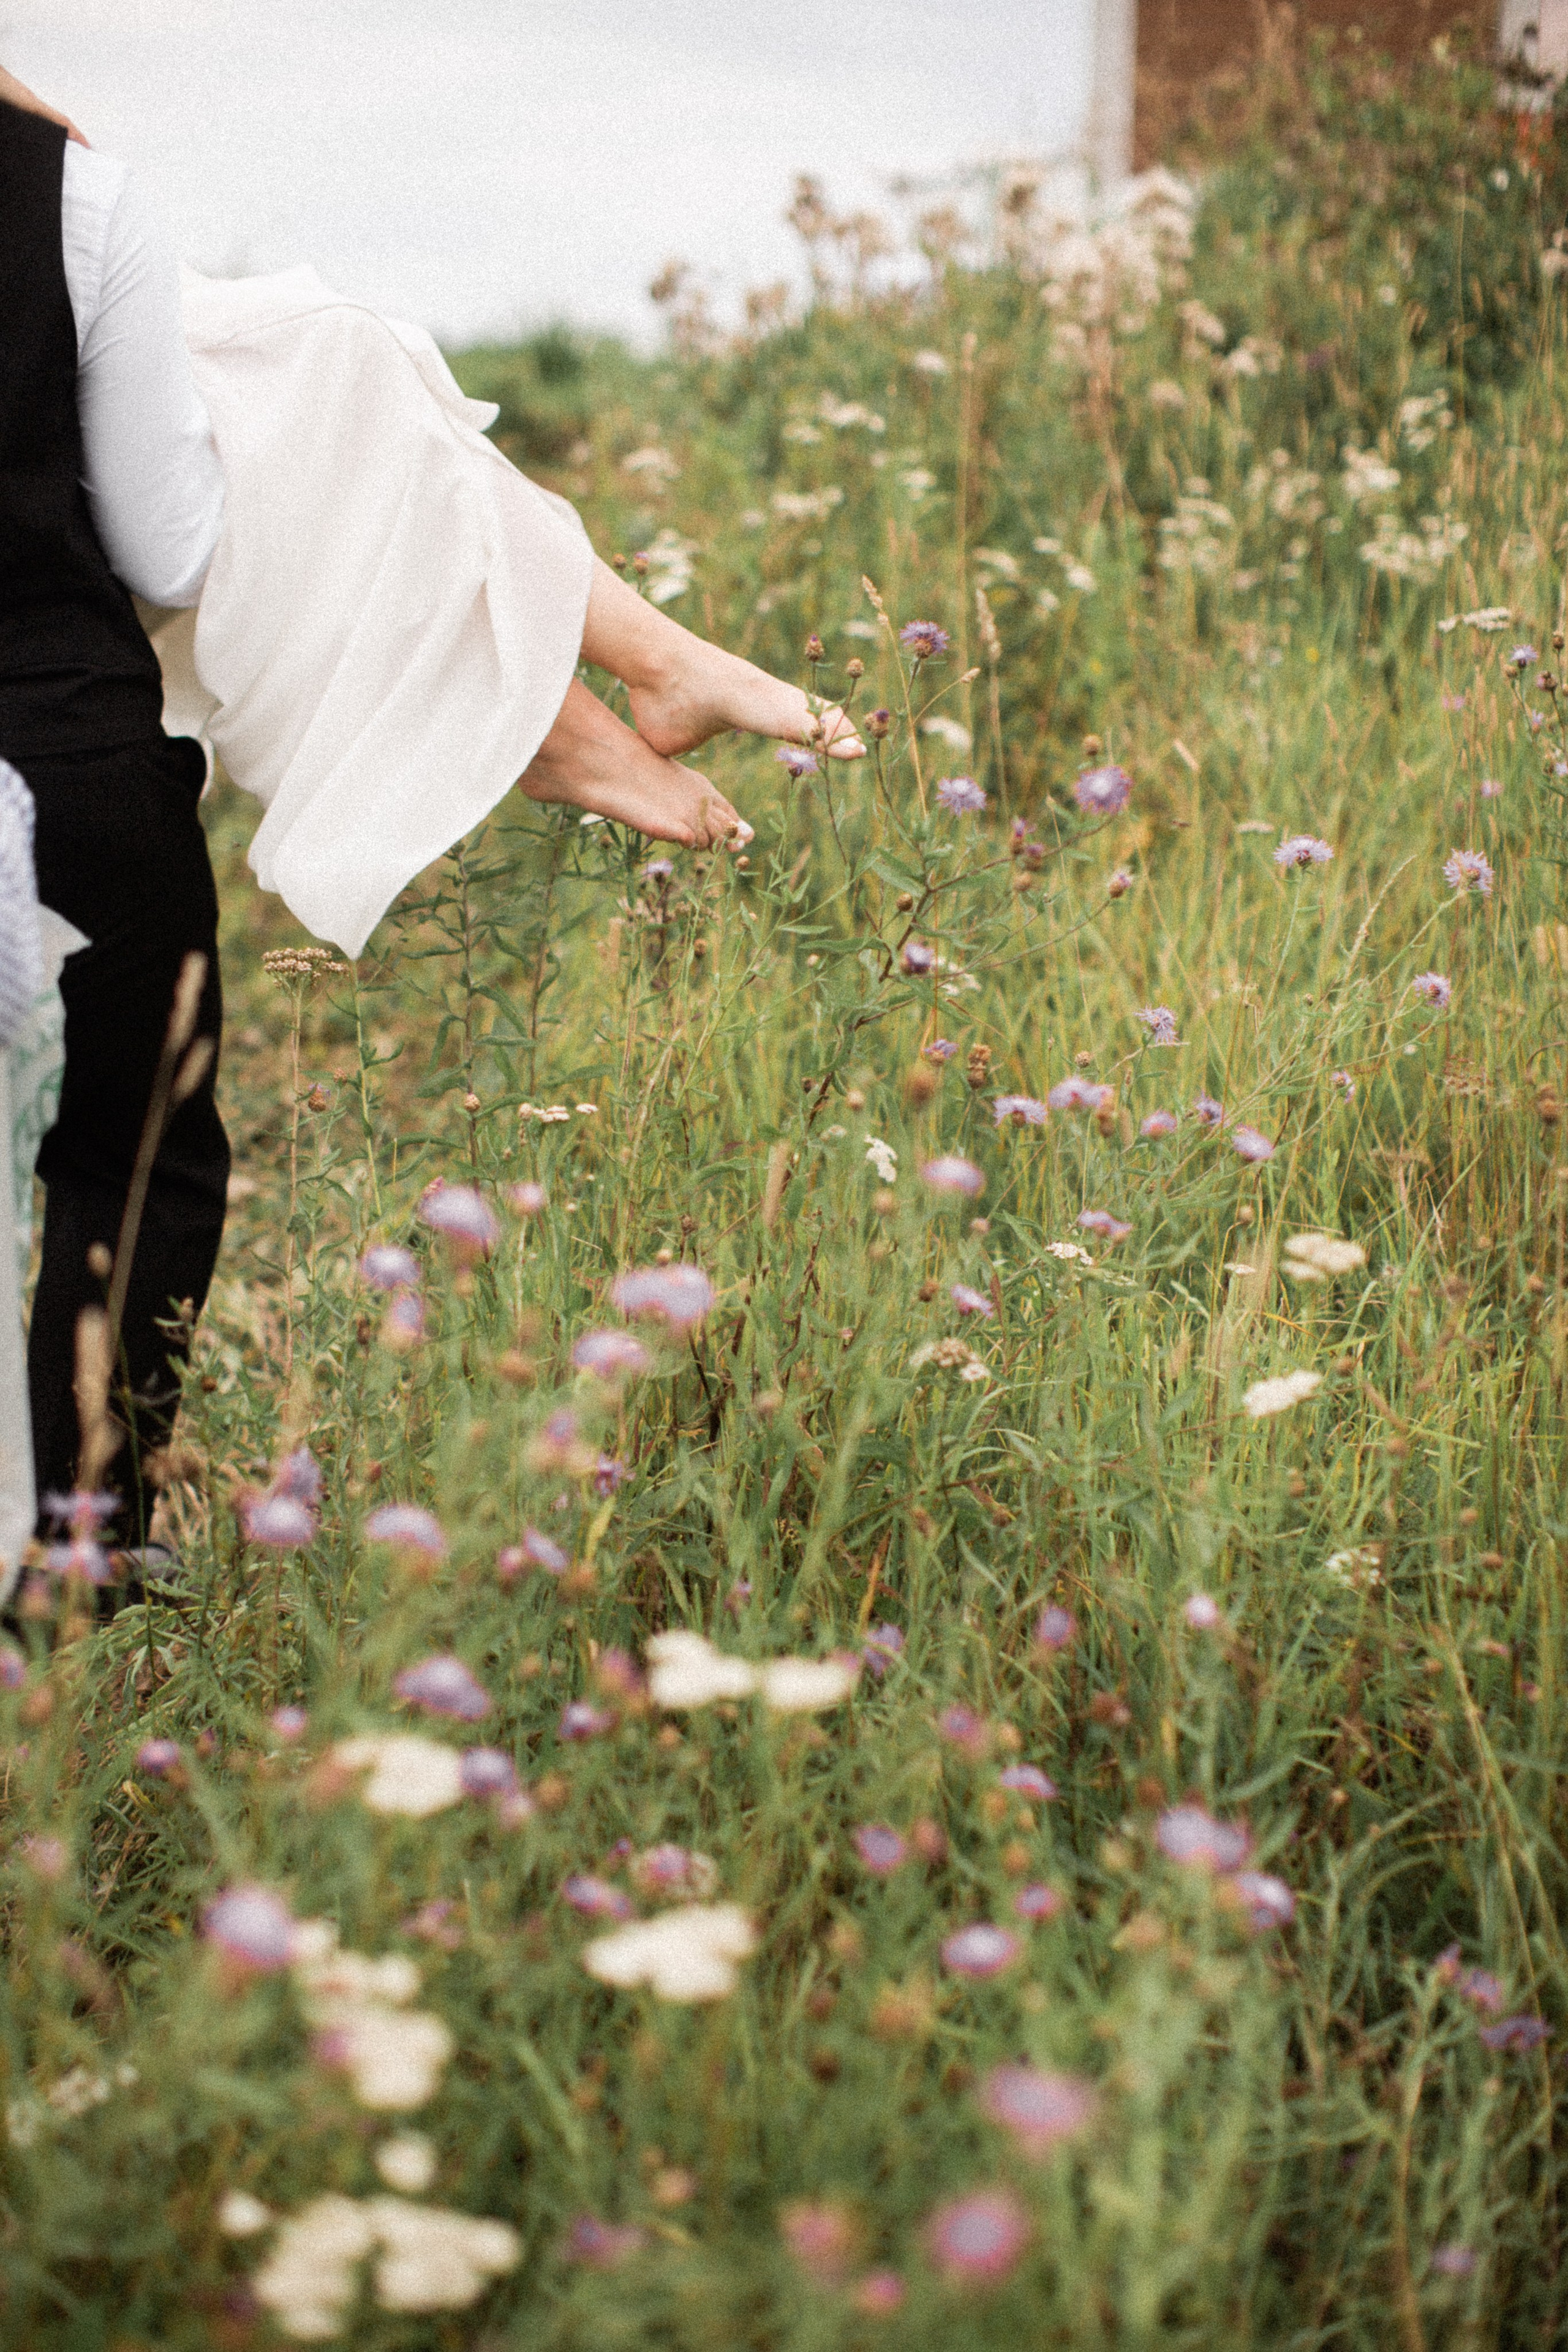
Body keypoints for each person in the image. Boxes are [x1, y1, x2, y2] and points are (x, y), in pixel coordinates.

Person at [0, 65, 862, 1597]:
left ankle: (595, 700)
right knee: (121, 1160)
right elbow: (170, 546)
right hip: (54, 768)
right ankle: (69, 1563)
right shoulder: (66, 191)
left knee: (307, 365)